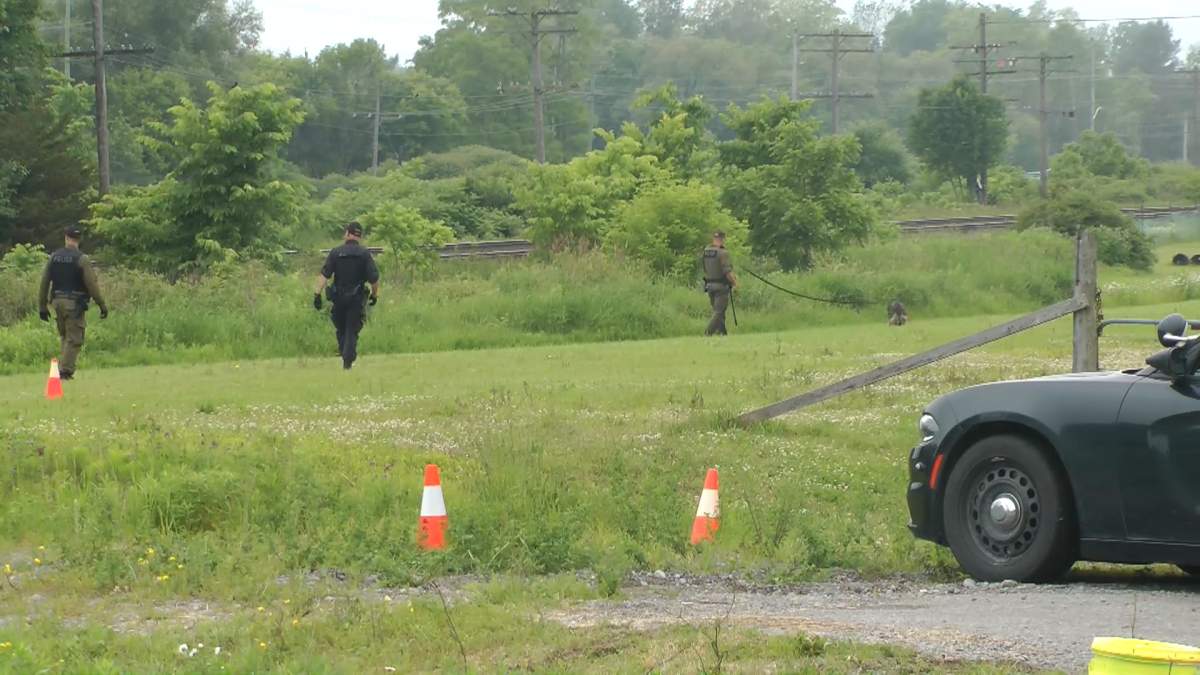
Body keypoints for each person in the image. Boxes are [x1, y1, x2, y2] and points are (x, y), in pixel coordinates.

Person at [37, 226, 109, 380]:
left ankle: (63, 369)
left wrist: (42, 306)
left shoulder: (54, 257)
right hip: (74, 303)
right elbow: (92, 284)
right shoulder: (81, 258)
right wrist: (102, 305)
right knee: (75, 338)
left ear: (66, 238)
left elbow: (44, 282)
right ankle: (65, 372)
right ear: (79, 240)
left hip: (57, 301)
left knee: (65, 336)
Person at [313, 222, 380, 370]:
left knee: (341, 329)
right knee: (352, 329)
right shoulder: (364, 254)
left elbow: (325, 275)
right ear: (359, 236)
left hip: (338, 298)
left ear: (347, 234)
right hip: (356, 299)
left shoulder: (336, 253)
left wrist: (317, 294)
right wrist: (375, 296)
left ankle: (346, 357)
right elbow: (374, 279)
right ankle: (348, 358)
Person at [701, 231, 738, 336]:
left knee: (718, 310)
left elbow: (704, 268)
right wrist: (735, 283)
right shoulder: (723, 253)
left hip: (709, 285)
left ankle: (722, 332)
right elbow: (727, 272)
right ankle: (708, 333)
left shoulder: (706, 251)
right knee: (719, 311)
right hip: (721, 286)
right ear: (723, 239)